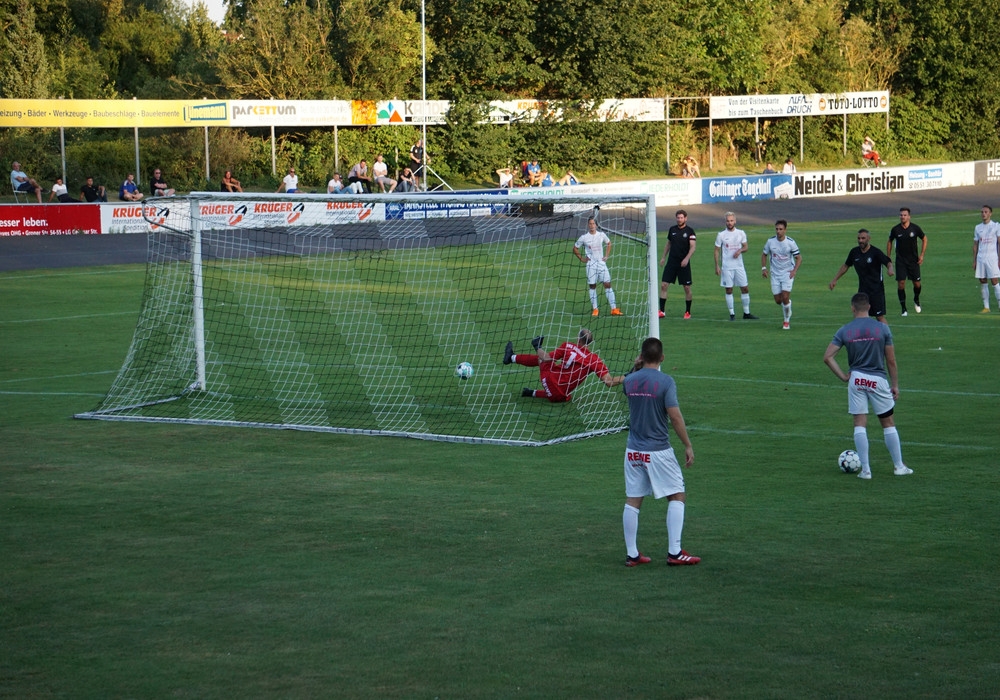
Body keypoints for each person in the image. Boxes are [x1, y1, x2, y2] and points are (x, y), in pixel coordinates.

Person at [621, 336, 699, 566]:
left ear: (641, 356)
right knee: (677, 494)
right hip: (658, 450)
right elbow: (675, 417)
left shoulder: (629, 381)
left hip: (633, 450)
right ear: (662, 358)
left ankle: (632, 554)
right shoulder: (666, 382)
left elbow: (629, 383)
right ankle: (675, 552)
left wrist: (635, 368)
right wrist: (687, 444)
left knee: (633, 500)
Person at [823, 293, 912, 480]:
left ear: (852, 308)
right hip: (877, 379)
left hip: (856, 379)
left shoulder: (845, 330)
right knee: (887, 423)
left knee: (859, 424)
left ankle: (865, 471)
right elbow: (891, 360)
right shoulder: (882, 328)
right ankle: (898, 466)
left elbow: (828, 357)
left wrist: (844, 376)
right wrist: (895, 385)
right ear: (869, 307)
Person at [502, 329, 625, 402]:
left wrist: (537, 346)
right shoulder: (594, 360)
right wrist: (628, 376)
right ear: (591, 342)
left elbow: (545, 357)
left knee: (542, 360)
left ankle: (511, 358)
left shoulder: (568, 346)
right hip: (560, 396)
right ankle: (532, 393)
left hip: (549, 381)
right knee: (563, 393)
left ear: (578, 338)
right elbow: (609, 382)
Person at [829, 229, 894, 324]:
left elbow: (888, 262)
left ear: (869, 238)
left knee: (879, 317)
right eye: (859, 238)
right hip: (863, 291)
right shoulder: (854, 252)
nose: (860, 241)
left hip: (876, 291)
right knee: (860, 315)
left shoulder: (875, 252)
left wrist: (890, 269)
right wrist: (835, 279)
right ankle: (863, 333)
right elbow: (846, 265)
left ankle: (886, 333)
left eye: (863, 238)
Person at [574, 216, 623, 317]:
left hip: (601, 264)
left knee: (608, 284)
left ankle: (614, 309)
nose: (592, 225)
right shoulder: (584, 237)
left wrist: (606, 256)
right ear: (588, 225)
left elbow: (609, 243)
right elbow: (575, 248)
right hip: (590, 265)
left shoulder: (601, 235)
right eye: (590, 224)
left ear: (596, 225)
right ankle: (595, 309)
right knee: (592, 286)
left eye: (593, 224)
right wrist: (582, 259)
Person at [713, 212, 758, 320]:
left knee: (745, 288)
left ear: (735, 221)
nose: (730, 223)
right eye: (728, 221)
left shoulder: (741, 233)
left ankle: (746, 313)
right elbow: (716, 250)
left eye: (731, 220)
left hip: (739, 266)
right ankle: (732, 314)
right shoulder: (721, 235)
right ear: (725, 222)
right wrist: (717, 265)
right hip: (727, 267)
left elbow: (746, 247)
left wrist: (740, 250)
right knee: (729, 290)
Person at [761, 219, 802, 330]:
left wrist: (794, 271)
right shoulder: (770, 241)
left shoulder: (790, 243)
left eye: (780, 229)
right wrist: (764, 268)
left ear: (785, 230)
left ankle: (786, 321)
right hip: (775, 274)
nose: (778, 231)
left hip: (787, 273)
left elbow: (799, 258)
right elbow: (764, 254)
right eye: (777, 229)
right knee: (778, 300)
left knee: (785, 297)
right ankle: (787, 304)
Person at [886, 207, 927, 316]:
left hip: (913, 261)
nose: (902, 217)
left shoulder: (915, 228)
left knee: (917, 284)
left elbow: (924, 238)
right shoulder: (895, 229)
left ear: (909, 216)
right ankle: (903, 308)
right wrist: (888, 257)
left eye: (904, 215)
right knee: (901, 284)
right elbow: (889, 241)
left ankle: (916, 299)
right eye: (901, 215)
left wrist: (922, 255)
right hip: (901, 261)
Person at [658, 209, 696, 319]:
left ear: (685, 218)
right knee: (664, 285)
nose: (679, 219)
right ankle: (662, 311)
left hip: (683, 263)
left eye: (681, 218)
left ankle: (688, 311)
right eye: (678, 218)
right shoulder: (672, 230)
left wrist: (686, 259)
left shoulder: (690, 231)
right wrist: (663, 257)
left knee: (687, 287)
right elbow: (668, 244)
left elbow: (693, 247)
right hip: (672, 262)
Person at [973, 205, 1000, 312]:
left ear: (990, 214)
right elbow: (975, 244)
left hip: (992, 258)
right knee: (982, 281)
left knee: (994, 281)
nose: (983, 214)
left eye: (986, 212)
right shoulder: (977, 227)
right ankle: (986, 307)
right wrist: (974, 260)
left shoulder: (996, 226)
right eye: (982, 212)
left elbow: (999, 243)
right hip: (981, 258)